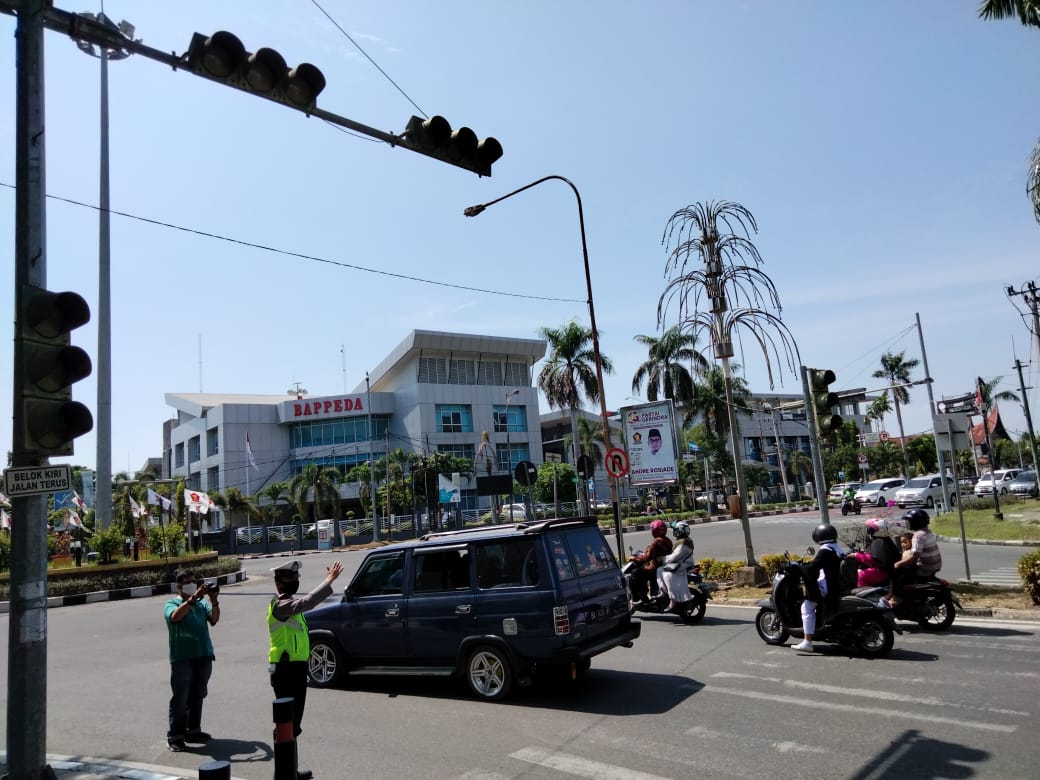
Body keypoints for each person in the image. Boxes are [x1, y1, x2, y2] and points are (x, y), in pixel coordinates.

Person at [268, 559, 344, 749]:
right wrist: (329, 581)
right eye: (290, 578)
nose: (295, 581)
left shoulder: (290, 605)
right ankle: (283, 763)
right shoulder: (280, 606)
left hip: (296, 668)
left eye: (296, 577)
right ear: (279, 582)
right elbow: (308, 602)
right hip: (285, 669)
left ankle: (289, 762)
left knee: (294, 723)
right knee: (287, 720)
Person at [165, 569, 220, 751]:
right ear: (179, 586)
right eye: (188, 582)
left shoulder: (202, 604)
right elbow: (175, 617)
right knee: (180, 698)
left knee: (198, 694)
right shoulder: (172, 603)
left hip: (203, 654)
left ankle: (193, 730)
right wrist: (193, 598)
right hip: (182, 658)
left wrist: (214, 600)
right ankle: (175, 736)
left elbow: (214, 619)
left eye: (194, 581)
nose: (192, 584)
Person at [792, 524, 845, 653]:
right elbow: (819, 563)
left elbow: (813, 568)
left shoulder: (825, 550)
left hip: (828, 587)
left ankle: (807, 641)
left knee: (806, 607)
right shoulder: (836, 548)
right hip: (837, 585)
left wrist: (798, 568)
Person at [629, 519, 673, 603]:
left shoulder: (656, 541)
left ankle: (640, 597)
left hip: (654, 568)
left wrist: (634, 558)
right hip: (662, 565)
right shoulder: (667, 540)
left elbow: (646, 558)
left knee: (635, 573)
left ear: (654, 530)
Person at [894, 508, 942, 582]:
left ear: (914, 522)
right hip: (936, 565)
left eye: (909, 521)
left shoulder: (918, 536)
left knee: (900, 572)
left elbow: (914, 556)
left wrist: (898, 564)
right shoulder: (929, 532)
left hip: (925, 568)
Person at [850, 518, 898, 588]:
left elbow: (872, 558)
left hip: (883, 572)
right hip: (888, 570)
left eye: (870, 528)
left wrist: (856, 555)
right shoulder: (884, 540)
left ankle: (867, 593)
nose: (868, 530)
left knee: (861, 575)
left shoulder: (878, 542)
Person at [658, 520, 695, 611]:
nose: (675, 532)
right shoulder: (683, 541)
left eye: (676, 530)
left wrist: (662, 559)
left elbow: (674, 556)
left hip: (683, 565)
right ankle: (663, 591)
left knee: (667, 575)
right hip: (680, 563)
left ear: (680, 531)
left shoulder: (684, 543)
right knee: (659, 570)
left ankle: (673, 600)